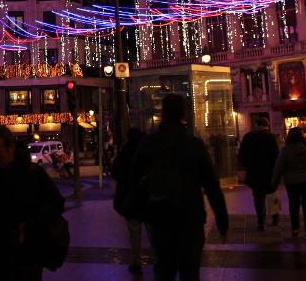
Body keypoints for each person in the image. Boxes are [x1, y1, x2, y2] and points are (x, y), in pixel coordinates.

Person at [130, 94, 228, 281]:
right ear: (183, 113)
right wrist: (222, 219)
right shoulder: (194, 145)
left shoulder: (149, 143)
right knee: (190, 272)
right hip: (190, 217)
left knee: (164, 270)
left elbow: (134, 178)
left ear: (163, 112)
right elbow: (211, 184)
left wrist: (144, 205)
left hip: (161, 215)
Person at [0, 125, 65, 281]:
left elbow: (56, 204)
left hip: (27, 256)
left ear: (11, 148)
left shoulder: (33, 174)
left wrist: (32, 225)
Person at [113, 127, 153, 274]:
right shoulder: (148, 151)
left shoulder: (125, 151)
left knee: (134, 232)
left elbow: (115, 172)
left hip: (131, 197)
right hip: (148, 197)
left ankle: (136, 261)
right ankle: (157, 258)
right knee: (151, 230)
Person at [239, 116, 280, 231]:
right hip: (270, 172)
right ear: (267, 126)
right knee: (273, 195)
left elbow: (242, 156)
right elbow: (277, 156)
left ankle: (260, 221)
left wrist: (249, 166)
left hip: (255, 173)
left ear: (256, 125)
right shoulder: (271, 137)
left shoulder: (248, 137)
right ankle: (275, 217)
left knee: (258, 197)